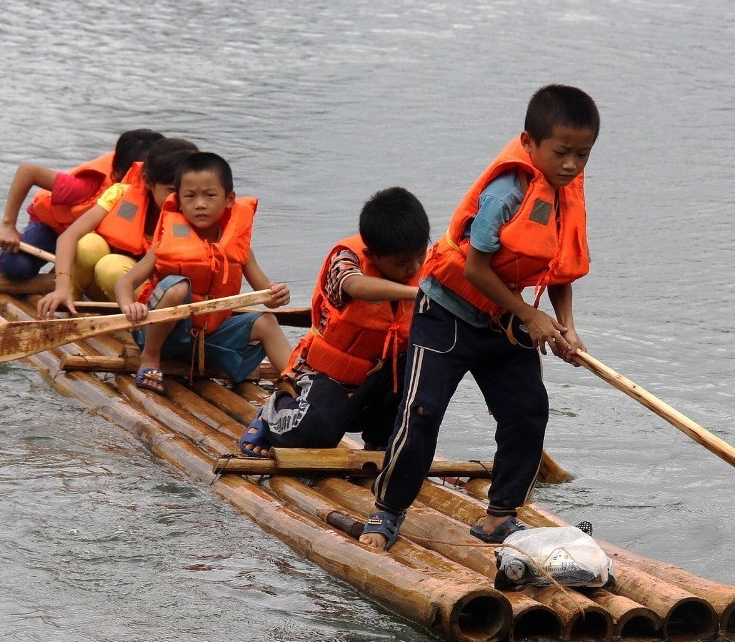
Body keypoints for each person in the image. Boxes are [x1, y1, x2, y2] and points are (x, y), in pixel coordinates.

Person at [360, 85, 599, 551]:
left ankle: (500, 517)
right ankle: (387, 512)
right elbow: (475, 268)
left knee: (527, 412)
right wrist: (530, 316)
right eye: (561, 152)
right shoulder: (506, 193)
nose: (571, 165)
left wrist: (566, 325)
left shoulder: (565, 195)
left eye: (583, 155)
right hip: (447, 314)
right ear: (529, 143)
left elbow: (559, 267)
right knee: (422, 412)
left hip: (504, 323)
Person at [237, 187, 430, 458]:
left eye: (420, 255)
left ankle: (380, 441)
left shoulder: (429, 262)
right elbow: (355, 285)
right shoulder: (345, 259)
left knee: (424, 372)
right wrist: (416, 293)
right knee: (313, 438)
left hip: (383, 376)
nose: (414, 268)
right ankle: (273, 412)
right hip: (332, 374)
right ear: (372, 255)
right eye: (402, 264)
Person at [113, 151, 292, 395]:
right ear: (178, 200)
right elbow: (126, 282)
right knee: (178, 286)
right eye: (190, 196)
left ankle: (297, 383)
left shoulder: (238, 248)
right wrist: (129, 306)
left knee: (266, 322)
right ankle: (150, 359)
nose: (200, 204)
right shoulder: (167, 243)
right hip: (165, 339)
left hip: (209, 340)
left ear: (229, 199)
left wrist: (278, 294)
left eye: (209, 196)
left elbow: (267, 297)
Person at [35, 138, 198, 318]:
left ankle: (139, 324)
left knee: (111, 266)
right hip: (105, 291)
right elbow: (68, 237)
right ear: (148, 182)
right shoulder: (121, 194)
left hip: (151, 302)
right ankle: (67, 305)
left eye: (188, 191)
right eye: (171, 190)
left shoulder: (197, 213)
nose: (180, 199)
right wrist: (62, 286)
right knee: (89, 244)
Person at [0, 129, 164, 279]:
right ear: (118, 173)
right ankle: (2, 261)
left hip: (94, 240)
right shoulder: (86, 187)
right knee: (16, 267)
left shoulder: (163, 188)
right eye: (145, 179)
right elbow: (27, 171)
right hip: (56, 230)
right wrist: (8, 224)